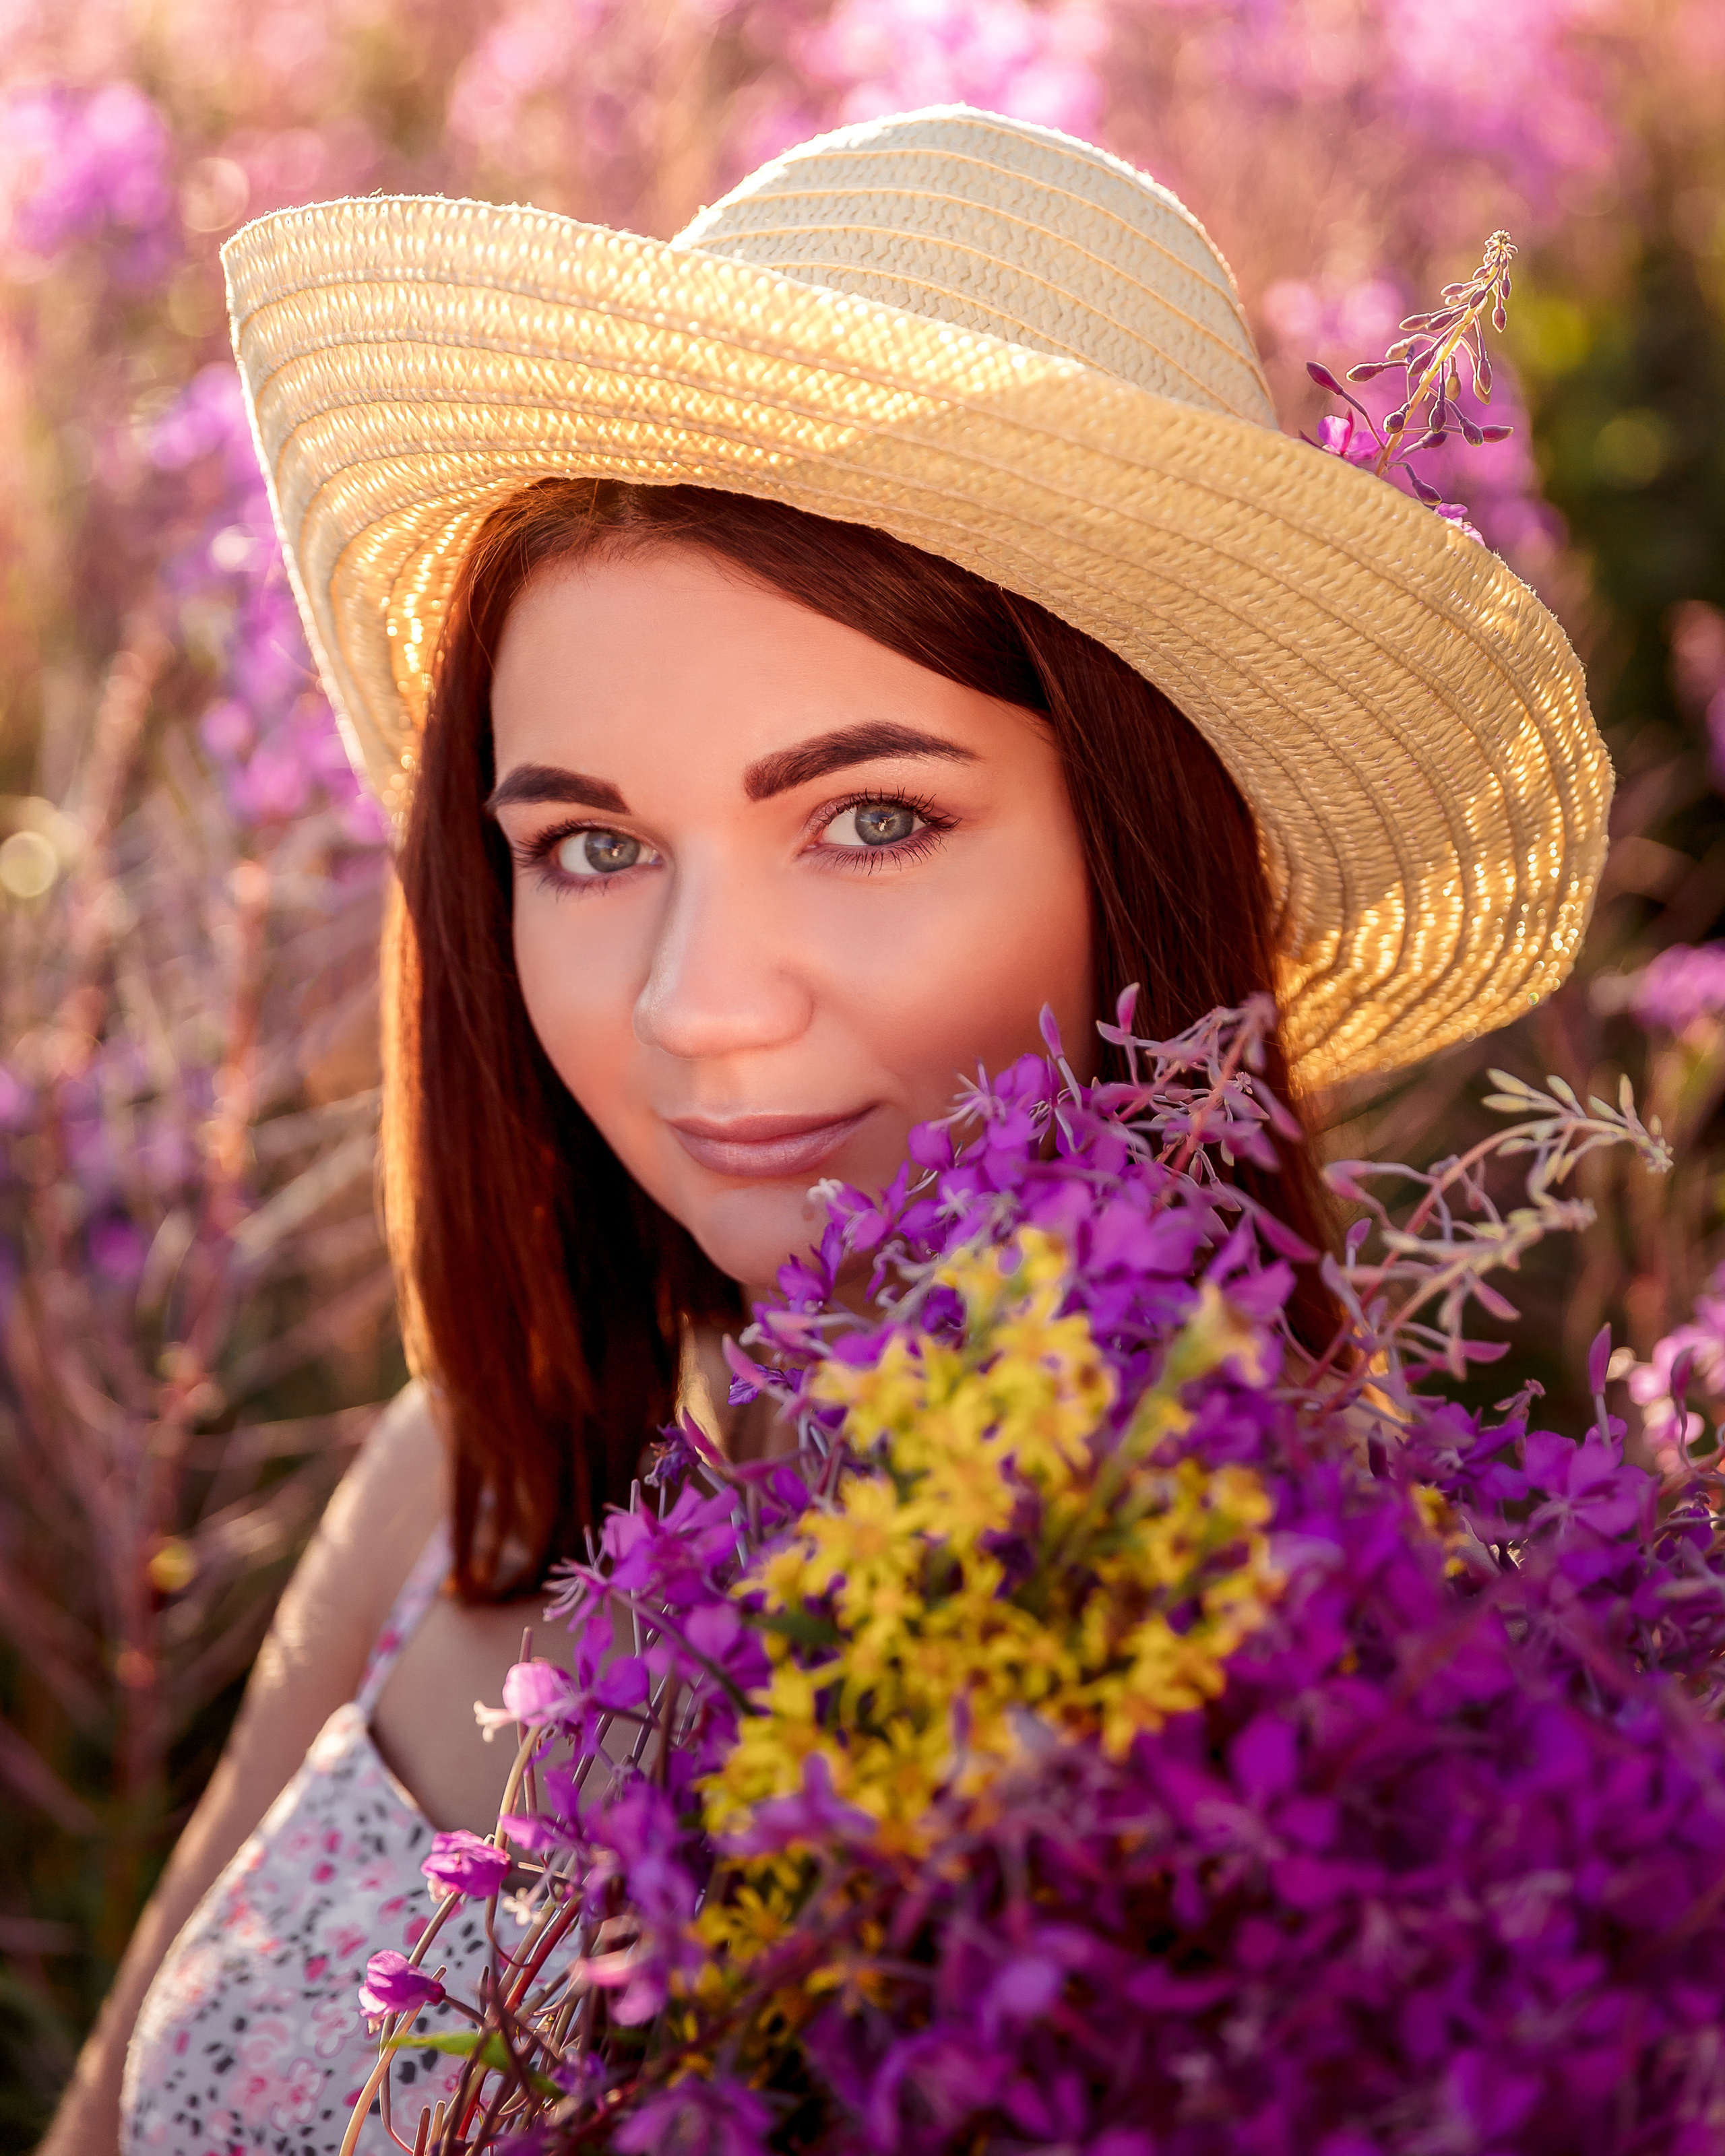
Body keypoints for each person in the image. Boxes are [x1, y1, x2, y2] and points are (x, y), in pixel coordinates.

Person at [43, 104, 1608, 2155]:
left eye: (872, 818)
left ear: (1142, 857)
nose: (700, 999)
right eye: (589, 842)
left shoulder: (1304, 1697)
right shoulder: (454, 1494)